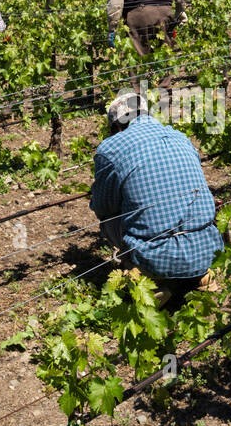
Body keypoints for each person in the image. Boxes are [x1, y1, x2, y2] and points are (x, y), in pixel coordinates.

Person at [90, 91, 223, 309]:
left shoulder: (111, 149)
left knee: (109, 221)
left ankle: (149, 280)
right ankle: (201, 276)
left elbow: (103, 206)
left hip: (157, 258)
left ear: (117, 126)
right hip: (208, 249)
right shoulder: (180, 137)